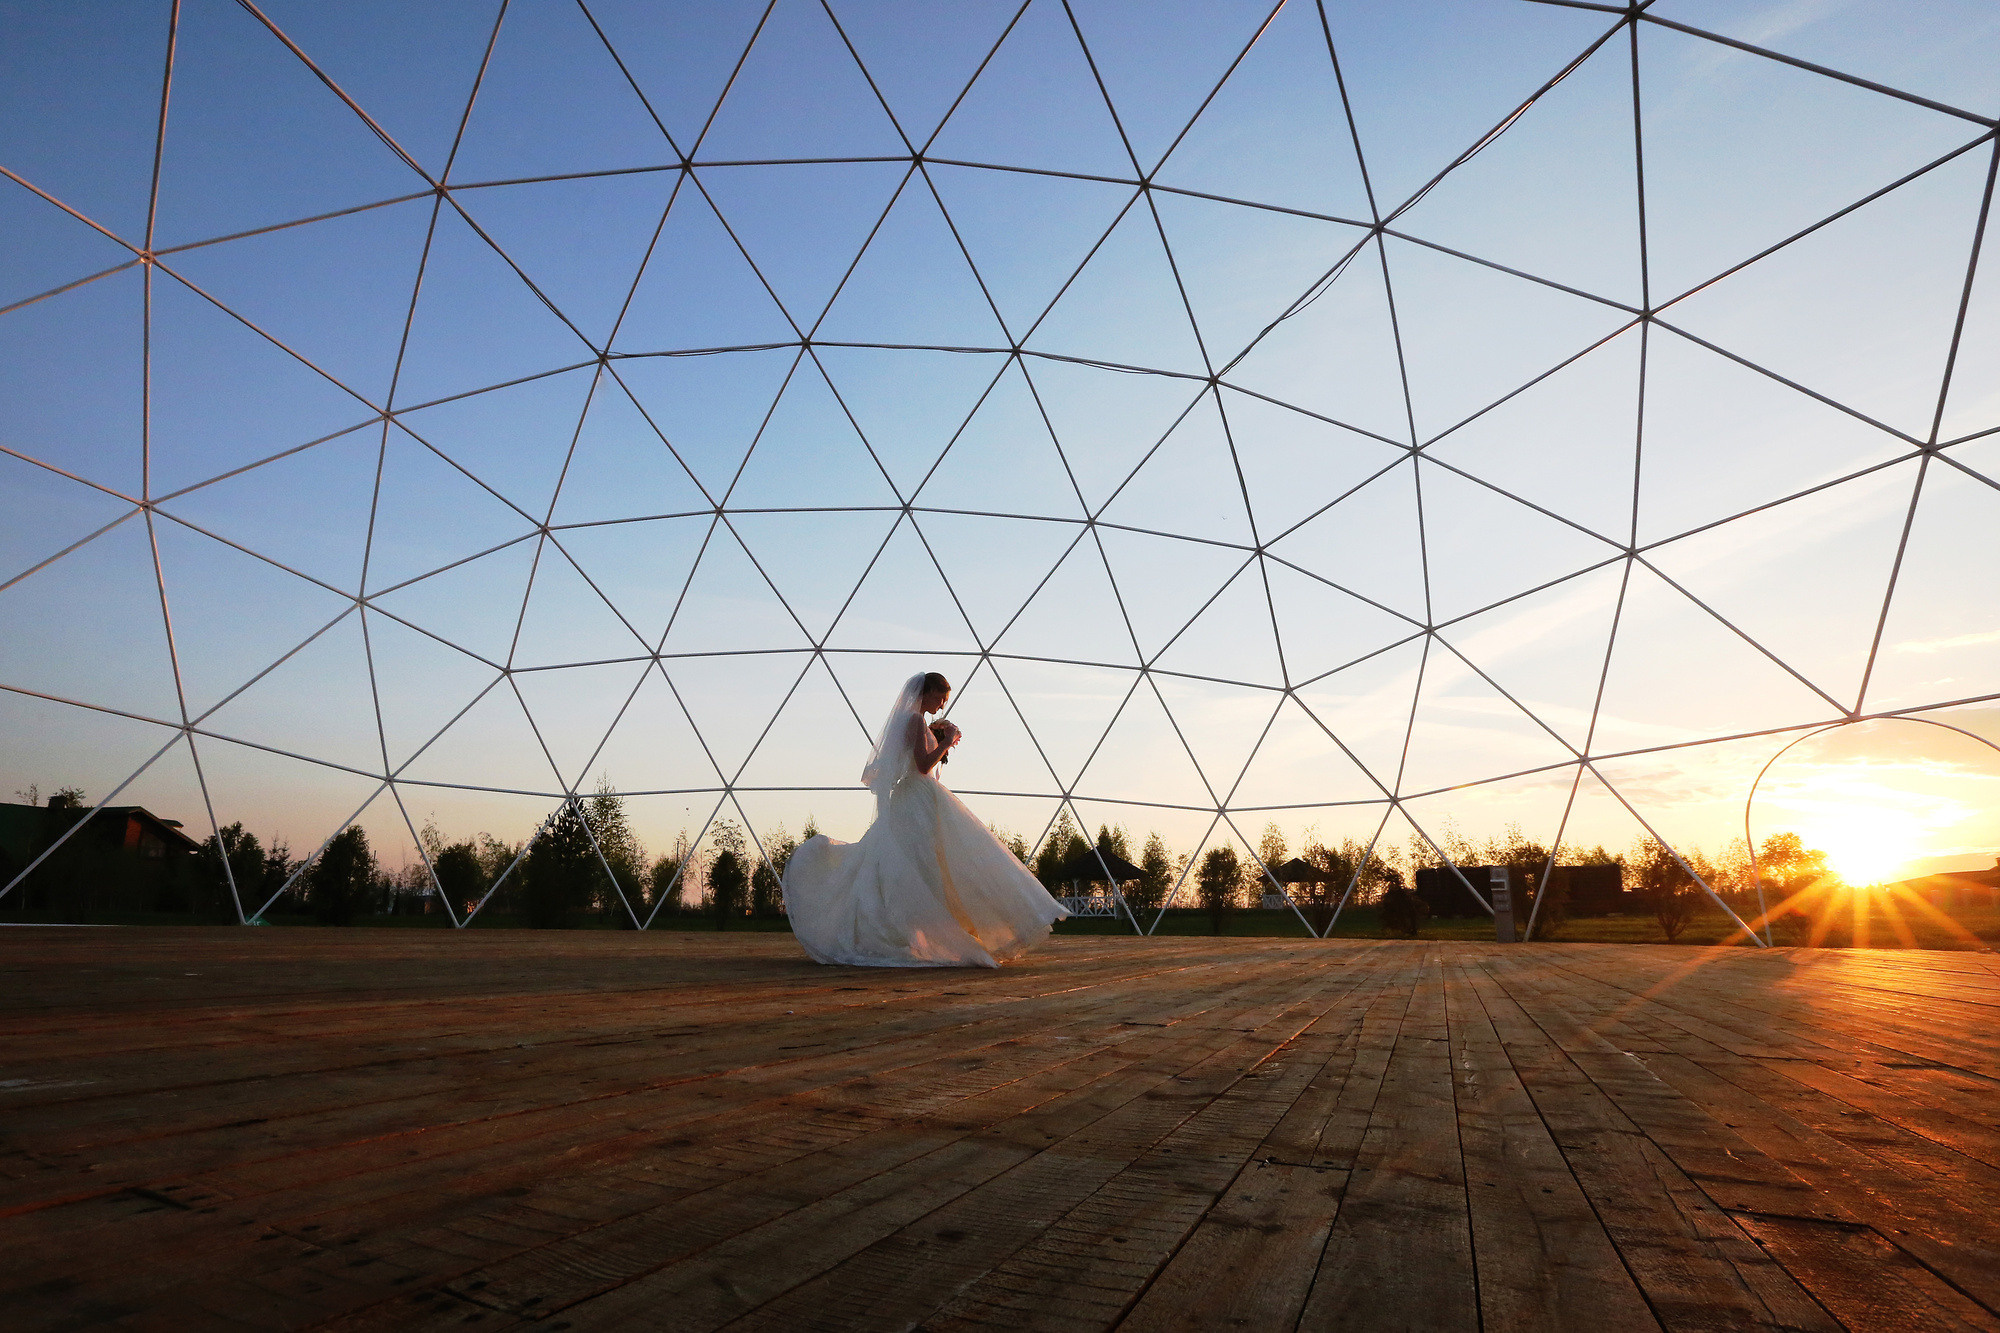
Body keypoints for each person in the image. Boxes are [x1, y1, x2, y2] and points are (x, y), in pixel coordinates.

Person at [782, 671, 1069, 967]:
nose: (942, 705)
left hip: (917, 797)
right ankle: (929, 933)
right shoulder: (915, 720)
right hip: (916, 796)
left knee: (924, 861)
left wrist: (938, 739)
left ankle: (925, 932)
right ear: (928, 691)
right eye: (941, 698)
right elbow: (922, 766)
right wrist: (946, 741)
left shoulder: (913, 722)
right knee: (926, 862)